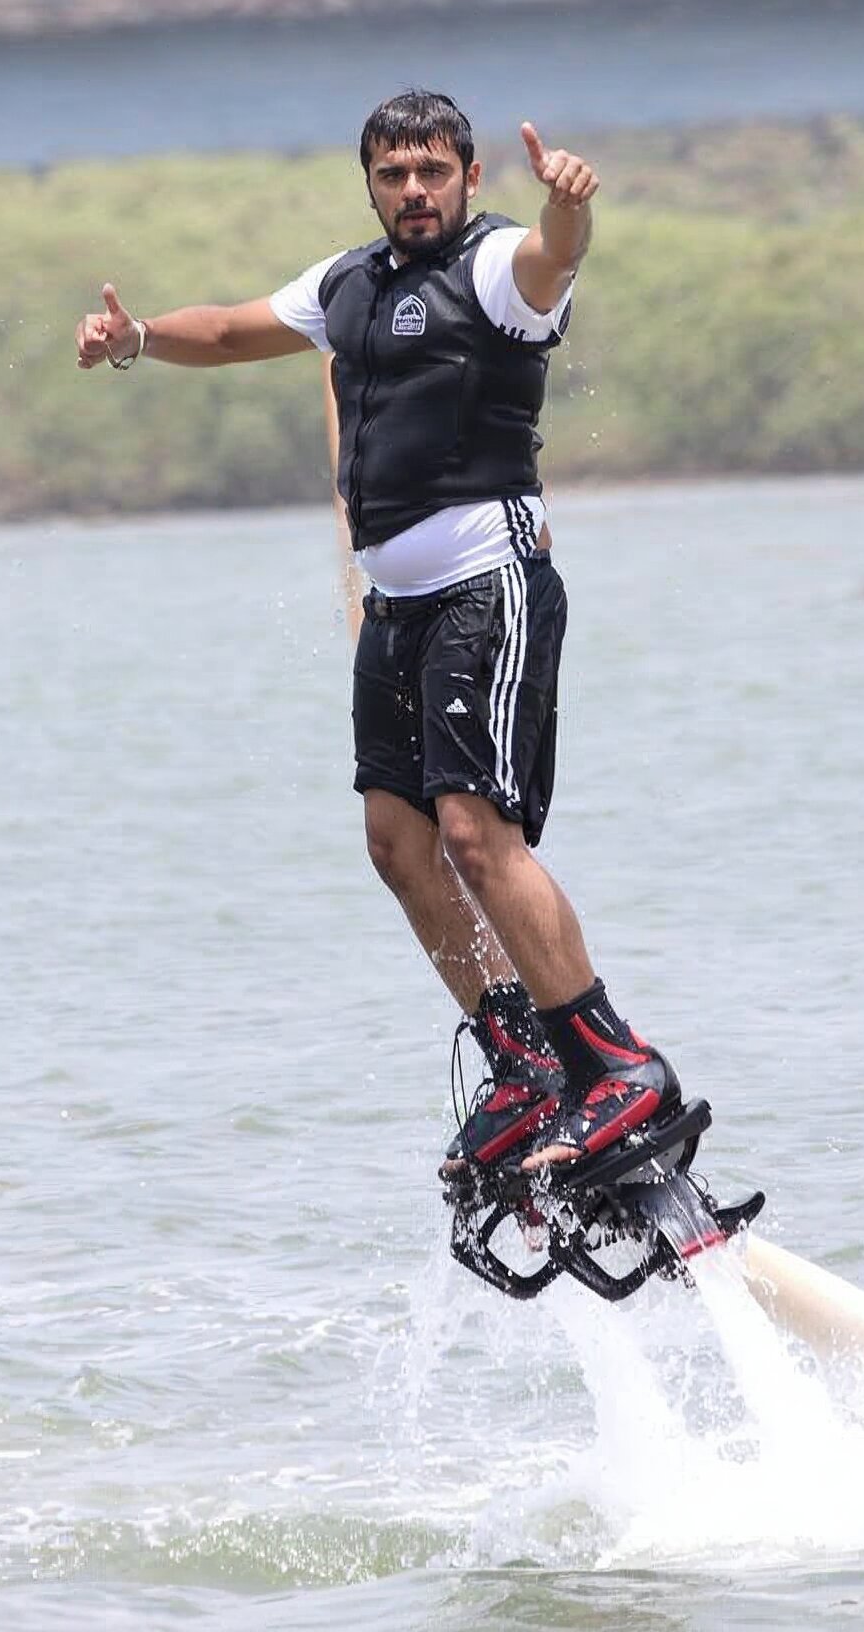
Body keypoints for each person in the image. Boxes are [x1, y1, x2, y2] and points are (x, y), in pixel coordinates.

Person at [73, 88, 682, 1176]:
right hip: (394, 611)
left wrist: (572, 210)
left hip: (484, 587)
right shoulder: (345, 283)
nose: (414, 192)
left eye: (433, 173)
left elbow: (554, 258)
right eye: (395, 175)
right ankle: (523, 1064)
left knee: (472, 832)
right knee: (396, 845)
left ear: (469, 177)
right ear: (371, 182)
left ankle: (613, 1065)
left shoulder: (499, 270)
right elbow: (225, 331)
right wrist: (137, 339)